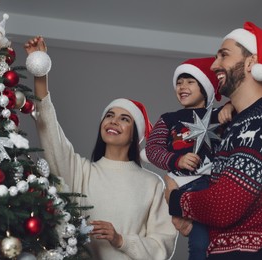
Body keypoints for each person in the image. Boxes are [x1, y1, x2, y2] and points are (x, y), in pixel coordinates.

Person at [24, 36, 177, 260]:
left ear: (136, 134)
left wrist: (120, 240)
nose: (114, 121)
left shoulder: (152, 184)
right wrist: (40, 72)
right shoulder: (81, 172)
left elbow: (162, 245)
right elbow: (49, 131)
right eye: (109, 115)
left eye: (125, 119)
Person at [164, 21, 262, 260]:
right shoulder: (240, 121)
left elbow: (223, 206)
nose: (214, 65)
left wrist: (175, 198)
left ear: (251, 63)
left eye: (224, 55)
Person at [145, 57, 233, 260]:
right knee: (200, 243)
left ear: (204, 87)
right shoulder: (169, 119)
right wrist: (178, 160)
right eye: (179, 82)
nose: (182, 86)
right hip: (188, 185)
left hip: (217, 185)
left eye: (190, 81)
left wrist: (231, 106)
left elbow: (245, 112)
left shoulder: (219, 115)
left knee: (222, 241)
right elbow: (152, 149)